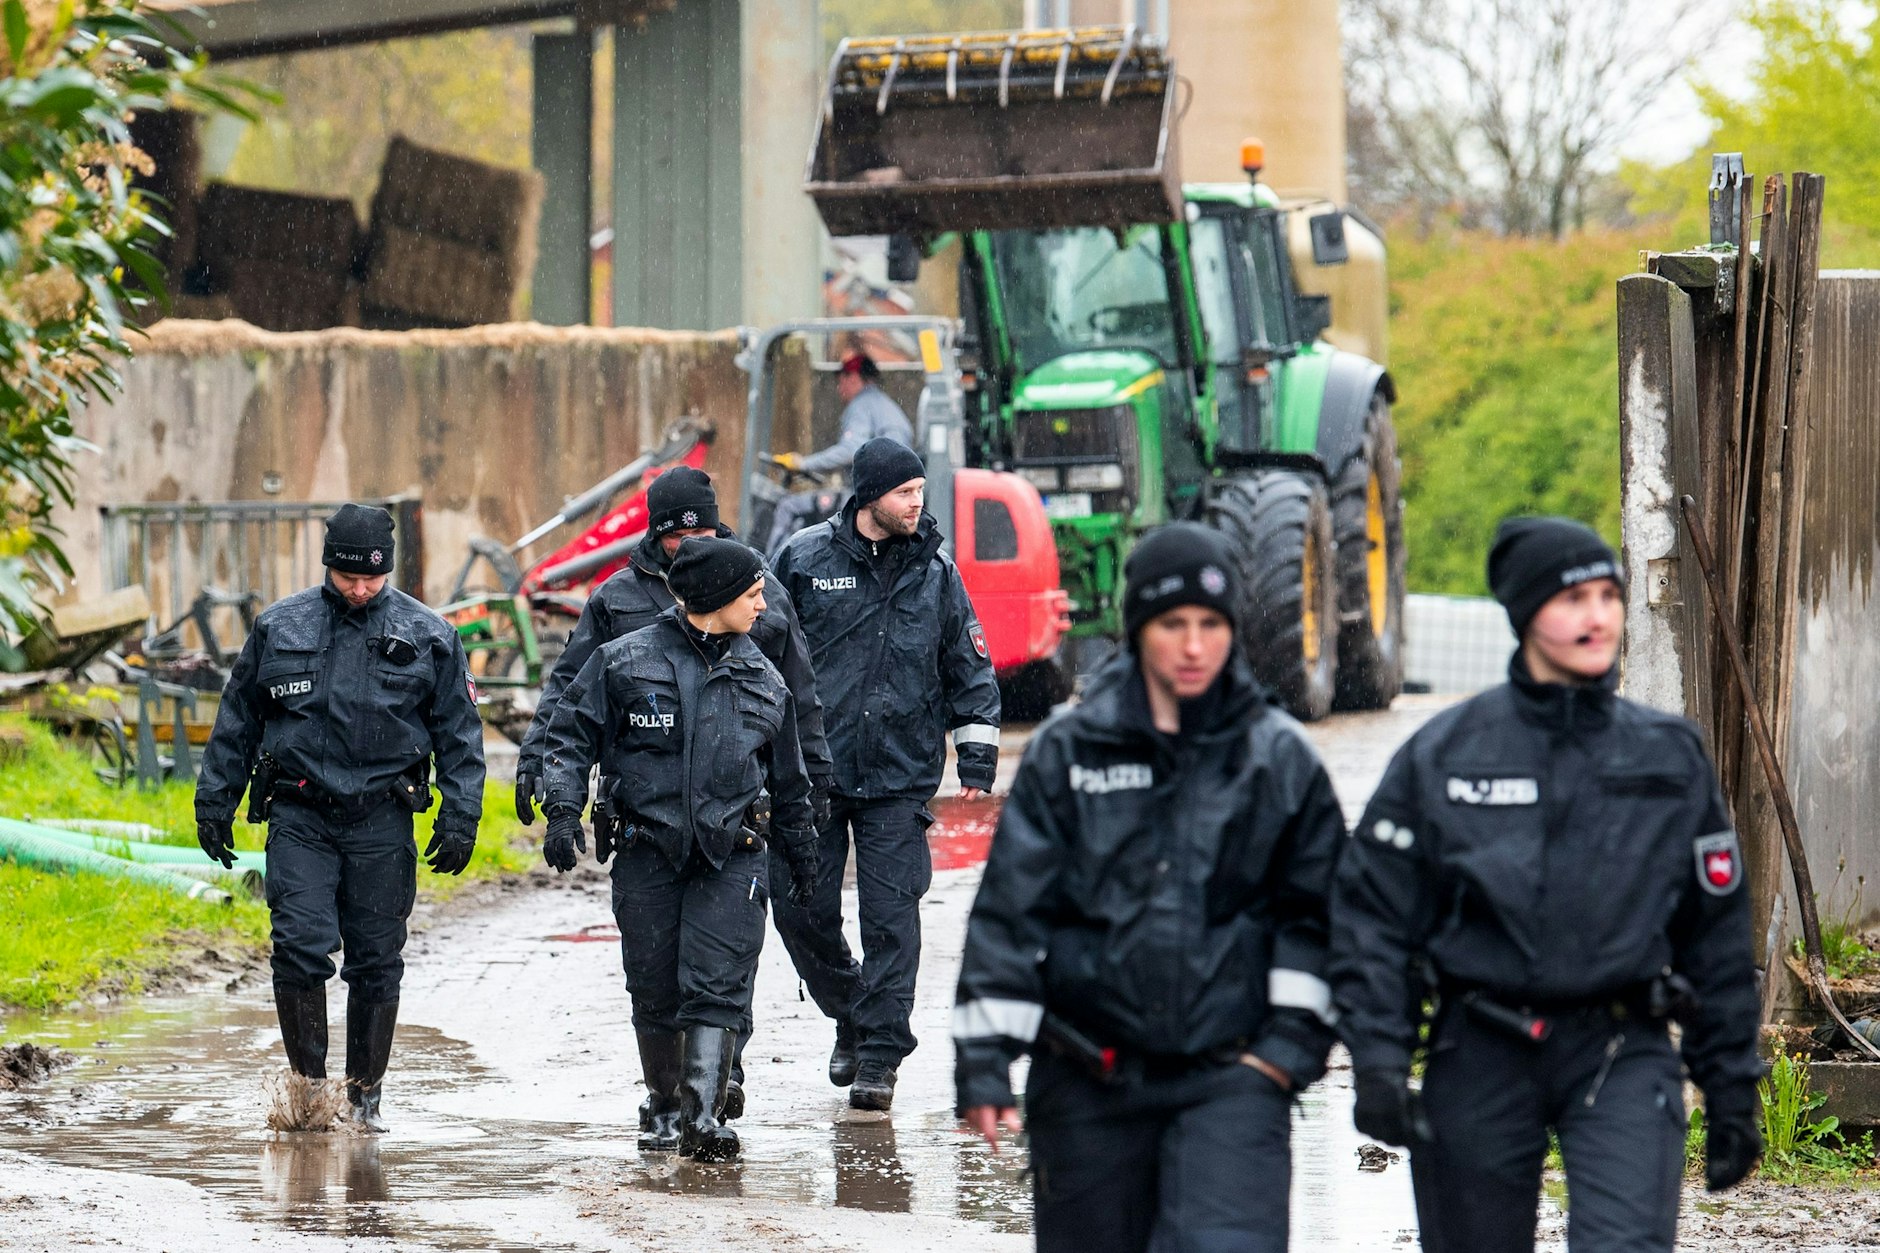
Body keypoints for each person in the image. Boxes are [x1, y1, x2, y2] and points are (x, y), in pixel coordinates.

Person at [1329, 516, 1764, 1252]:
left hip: (1622, 1051)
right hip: (1480, 1053)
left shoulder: (1668, 756)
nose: (1597, 616)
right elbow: (1373, 918)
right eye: (1572, 600)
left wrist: (1731, 1085)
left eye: (1607, 594)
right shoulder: (1444, 754)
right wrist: (1377, 1060)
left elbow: (1714, 931)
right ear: (1526, 614)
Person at [952, 523, 1345, 1253]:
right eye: (1173, 624)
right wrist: (983, 1060)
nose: (1194, 645)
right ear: (1138, 629)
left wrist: (1284, 1054)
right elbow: (1012, 910)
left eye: (1211, 624)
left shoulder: (1278, 760)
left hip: (1232, 1082)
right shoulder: (1070, 755)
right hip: (1086, 1081)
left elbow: (1320, 918)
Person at [512, 464, 832, 1119]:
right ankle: (670, 1096)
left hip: (732, 823)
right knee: (656, 980)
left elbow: (798, 705)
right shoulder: (618, 610)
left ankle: (712, 1090)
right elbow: (572, 698)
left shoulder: (756, 597)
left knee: (721, 963)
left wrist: (810, 810)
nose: (687, 543)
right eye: (675, 533)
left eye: (701, 530)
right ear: (654, 533)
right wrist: (544, 773)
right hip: (646, 821)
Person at [196, 503, 485, 1132]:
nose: (359, 589)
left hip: (383, 816)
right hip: (301, 813)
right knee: (298, 947)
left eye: (372, 579)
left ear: (388, 570)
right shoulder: (279, 626)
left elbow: (460, 735)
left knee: (376, 959)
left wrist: (461, 816)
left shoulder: (430, 634)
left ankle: (363, 1098)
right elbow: (237, 719)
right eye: (347, 577)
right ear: (328, 566)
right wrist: (215, 800)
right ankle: (307, 1093)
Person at [771, 436, 1002, 1111]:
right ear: (872, 494)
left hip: (899, 776)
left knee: (892, 921)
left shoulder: (936, 571)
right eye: (906, 492)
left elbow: (970, 663)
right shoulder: (804, 561)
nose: (917, 503)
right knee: (800, 910)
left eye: (920, 492)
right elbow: (762, 654)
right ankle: (852, 1010)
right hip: (814, 772)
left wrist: (977, 752)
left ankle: (878, 1057)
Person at [775, 352, 914, 479]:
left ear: (853, 378)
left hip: (876, 490)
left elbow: (851, 450)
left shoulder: (861, 405)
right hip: (893, 485)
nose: (839, 389)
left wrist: (803, 464)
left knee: (791, 506)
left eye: (841, 382)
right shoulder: (884, 404)